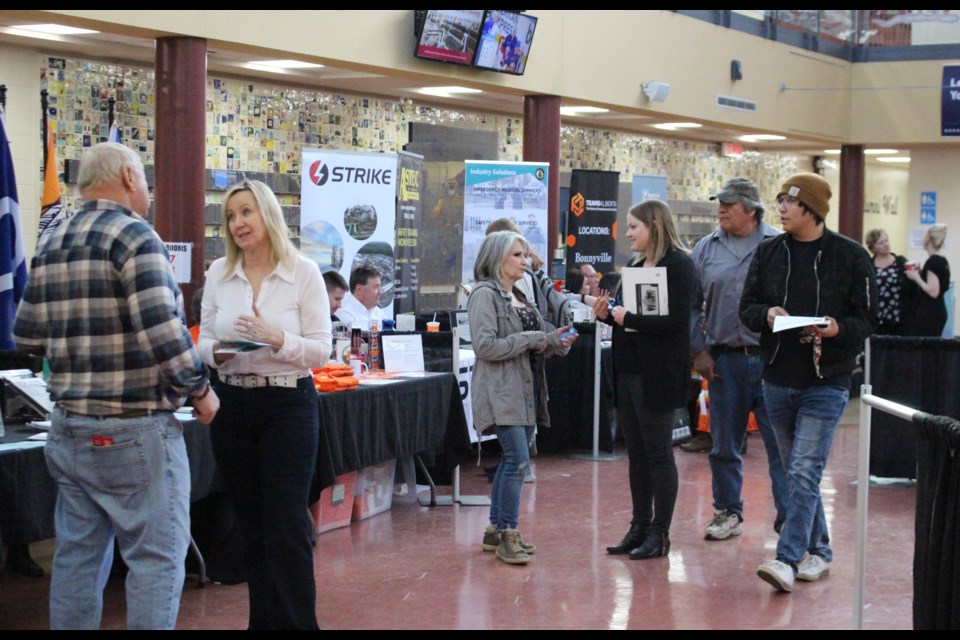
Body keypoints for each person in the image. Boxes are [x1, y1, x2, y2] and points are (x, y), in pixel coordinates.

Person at [13, 142, 220, 630]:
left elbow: (25, 335)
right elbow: (164, 334)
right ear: (129, 176)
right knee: (157, 559)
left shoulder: (53, 240)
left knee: (77, 559)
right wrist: (200, 390)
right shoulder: (137, 238)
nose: (146, 188)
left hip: (67, 428)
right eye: (145, 178)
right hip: (135, 432)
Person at [197, 179, 331, 629]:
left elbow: (321, 351)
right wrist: (218, 352)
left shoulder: (303, 271)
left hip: (288, 404)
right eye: (231, 216)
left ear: (268, 215)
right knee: (251, 528)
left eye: (246, 212)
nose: (237, 223)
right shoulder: (218, 273)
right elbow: (203, 344)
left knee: (287, 528)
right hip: (232, 403)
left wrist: (276, 338)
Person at [740, 172, 875, 593]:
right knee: (795, 471)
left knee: (803, 469)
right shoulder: (768, 252)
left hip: (826, 380)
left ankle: (787, 557)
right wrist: (767, 315)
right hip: (778, 377)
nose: (779, 209)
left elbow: (868, 319)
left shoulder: (850, 256)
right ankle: (820, 550)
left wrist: (836, 330)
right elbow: (746, 307)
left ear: (811, 209)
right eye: (779, 200)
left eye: (788, 202)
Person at [594, 200, 696, 560]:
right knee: (635, 454)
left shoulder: (680, 266)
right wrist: (608, 316)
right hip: (629, 369)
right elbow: (632, 321)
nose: (629, 233)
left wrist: (626, 318)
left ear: (654, 226)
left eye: (634, 226)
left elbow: (674, 324)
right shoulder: (636, 265)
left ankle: (660, 532)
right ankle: (638, 526)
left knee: (658, 454)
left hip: (659, 373)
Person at [690, 177, 789, 541]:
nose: (721, 209)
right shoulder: (706, 248)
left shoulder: (778, 244)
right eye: (720, 203)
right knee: (724, 444)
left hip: (772, 360)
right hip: (723, 361)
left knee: (780, 447)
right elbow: (690, 303)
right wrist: (698, 349)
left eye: (729, 204)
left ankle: (787, 520)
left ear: (751, 208)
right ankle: (727, 511)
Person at [469, 230, 574, 565]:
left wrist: (558, 340)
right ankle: (509, 533)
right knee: (517, 460)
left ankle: (496, 529)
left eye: (525, 255)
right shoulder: (484, 295)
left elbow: (542, 334)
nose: (525, 261)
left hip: (527, 389)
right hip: (502, 391)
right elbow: (485, 346)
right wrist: (531, 338)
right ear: (497, 257)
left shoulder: (516, 295)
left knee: (512, 460)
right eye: (517, 255)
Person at [904, 223, 951, 337]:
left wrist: (916, 277)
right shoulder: (942, 260)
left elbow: (933, 292)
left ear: (929, 239)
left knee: (926, 349)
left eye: (925, 235)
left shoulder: (933, 262)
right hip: (938, 310)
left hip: (930, 312)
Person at [864, 228, 911, 336]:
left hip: (898, 316)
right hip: (877, 317)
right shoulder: (869, 265)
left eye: (886, 240)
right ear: (873, 247)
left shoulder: (900, 262)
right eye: (881, 243)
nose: (886, 244)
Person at [336, 264, 384, 328]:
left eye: (379, 287)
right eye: (376, 287)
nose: (380, 292)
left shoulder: (378, 312)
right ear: (359, 290)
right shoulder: (345, 313)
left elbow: (393, 336)